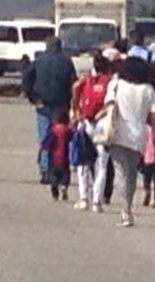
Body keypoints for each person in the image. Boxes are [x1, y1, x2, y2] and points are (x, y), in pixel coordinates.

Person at [103, 57, 155, 227]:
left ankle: (125, 210)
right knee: (132, 172)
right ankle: (128, 207)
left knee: (120, 171)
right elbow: (154, 115)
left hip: (118, 132)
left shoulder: (116, 84)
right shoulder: (148, 90)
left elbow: (107, 105)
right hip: (139, 135)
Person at [23, 36, 77, 184]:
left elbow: (27, 80)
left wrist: (33, 98)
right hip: (62, 105)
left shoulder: (39, 61)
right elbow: (73, 82)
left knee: (45, 138)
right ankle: (61, 169)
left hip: (43, 104)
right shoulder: (67, 61)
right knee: (62, 138)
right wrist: (73, 102)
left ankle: (45, 170)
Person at [70, 50, 116, 211]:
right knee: (102, 163)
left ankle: (83, 198)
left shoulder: (88, 79)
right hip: (101, 123)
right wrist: (100, 114)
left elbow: (75, 87)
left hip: (85, 122)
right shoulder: (110, 81)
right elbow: (111, 103)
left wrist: (76, 110)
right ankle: (97, 201)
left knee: (83, 161)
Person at [40, 108, 72, 201]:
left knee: (53, 175)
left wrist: (42, 150)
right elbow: (72, 139)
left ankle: (55, 193)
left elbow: (46, 144)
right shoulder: (67, 130)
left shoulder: (53, 131)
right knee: (65, 174)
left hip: (53, 158)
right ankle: (64, 186)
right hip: (65, 158)